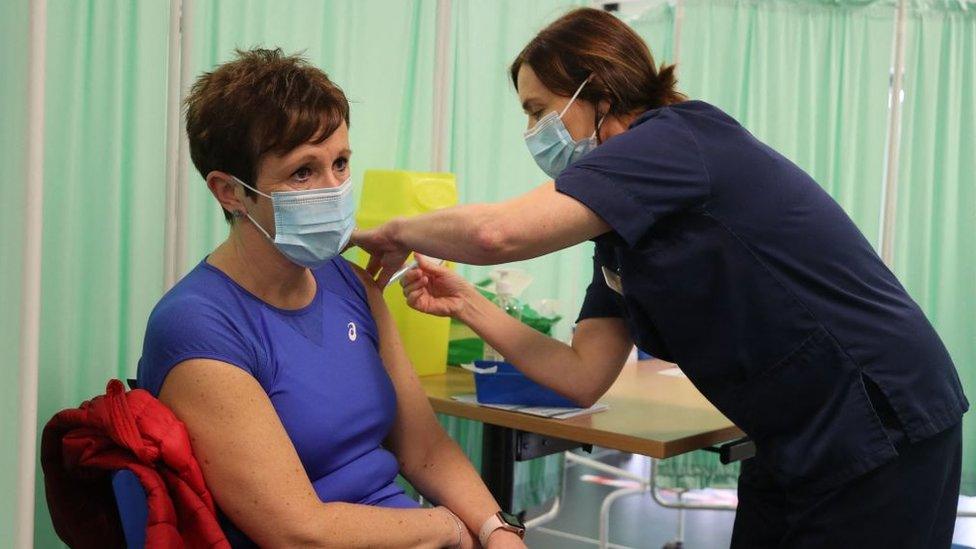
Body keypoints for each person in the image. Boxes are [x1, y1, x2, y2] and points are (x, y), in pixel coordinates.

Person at [352, 8, 969, 548]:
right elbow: (583, 376)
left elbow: (496, 235)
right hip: (792, 435)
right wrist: (466, 303)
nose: (531, 134)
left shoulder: (676, 141)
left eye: (540, 111)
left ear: (597, 89)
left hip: (880, 416)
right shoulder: (619, 227)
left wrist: (395, 229)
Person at [137, 48, 526, 549]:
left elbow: (425, 448)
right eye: (302, 172)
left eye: (340, 163)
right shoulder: (199, 326)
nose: (333, 189)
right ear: (230, 192)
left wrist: (497, 530)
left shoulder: (352, 285)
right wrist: (449, 529)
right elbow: (299, 532)